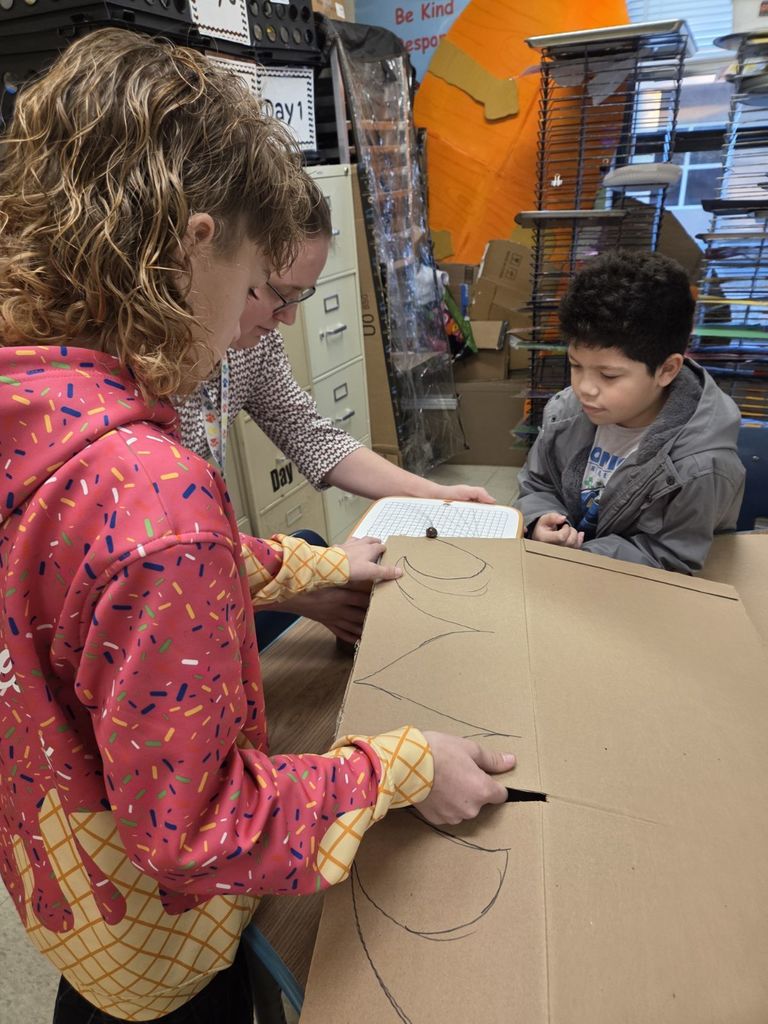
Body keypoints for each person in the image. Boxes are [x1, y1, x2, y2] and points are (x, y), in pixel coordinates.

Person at [0, 30, 516, 1024]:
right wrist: (402, 767)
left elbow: (89, 569)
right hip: (167, 940)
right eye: (255, 290)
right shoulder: (159, 496)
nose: (256, 326)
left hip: (64, 876)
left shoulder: (34, 398)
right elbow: (198, 828)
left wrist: (313, 559)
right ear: (196, 242)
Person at [174, 179, 495, 643]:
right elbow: (171, 558)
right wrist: (296, 589)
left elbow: (309, 433)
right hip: (186, 603)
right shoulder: (138, 381)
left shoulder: (250, 344)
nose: (289, 317)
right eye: (273, 290)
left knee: (318, 545)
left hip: (219, 567)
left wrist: (430, 494)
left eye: (302, 296)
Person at [515, 250, 745, 574]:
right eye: (575, 366)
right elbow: (537, 483)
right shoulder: (567, 411)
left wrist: (583, 555)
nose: (585, 388)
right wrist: (539, 521)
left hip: (631, 591)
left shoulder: (701, 466)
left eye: (608, 376)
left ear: (667, 370)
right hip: (565, 575)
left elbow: (670, 557)